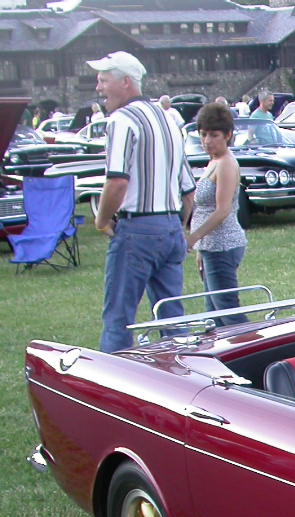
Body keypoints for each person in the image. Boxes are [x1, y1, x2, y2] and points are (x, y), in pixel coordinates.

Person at [88, 51, 195, 353]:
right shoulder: (167, 118)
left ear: (125, 82)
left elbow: (118, 181)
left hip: (138, 229)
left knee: (119, 318)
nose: (99, 88)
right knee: (173, 317)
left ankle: (113, 386)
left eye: (103, 80)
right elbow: (189, 191)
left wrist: (102, 219)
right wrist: (180, 228)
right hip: (171, 226)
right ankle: (181, 374)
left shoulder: (121, 120)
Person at [186, 102, 247, 316]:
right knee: (214, 316)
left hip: (223, 244)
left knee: (228, 313)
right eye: (203, 135)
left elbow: (223, 210)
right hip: (210, 246)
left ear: (228, 135)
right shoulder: (214, 161)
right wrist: (201, 249)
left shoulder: (226, 164)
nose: (207, 141)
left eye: (214, 135)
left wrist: (193, 238)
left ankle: (252, 347)